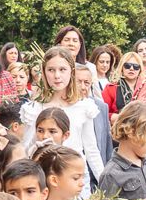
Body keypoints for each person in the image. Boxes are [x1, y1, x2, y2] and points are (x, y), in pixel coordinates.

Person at [41, 47, 106, 179]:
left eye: (62, 70)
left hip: (76, 177)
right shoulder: (36, 107)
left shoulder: (83, 106)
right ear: (44, 72)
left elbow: (91, 149)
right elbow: (28, 147)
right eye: (51, 70)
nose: (57, 76)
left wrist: (104, 184)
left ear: (71, 72)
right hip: (47, 175)